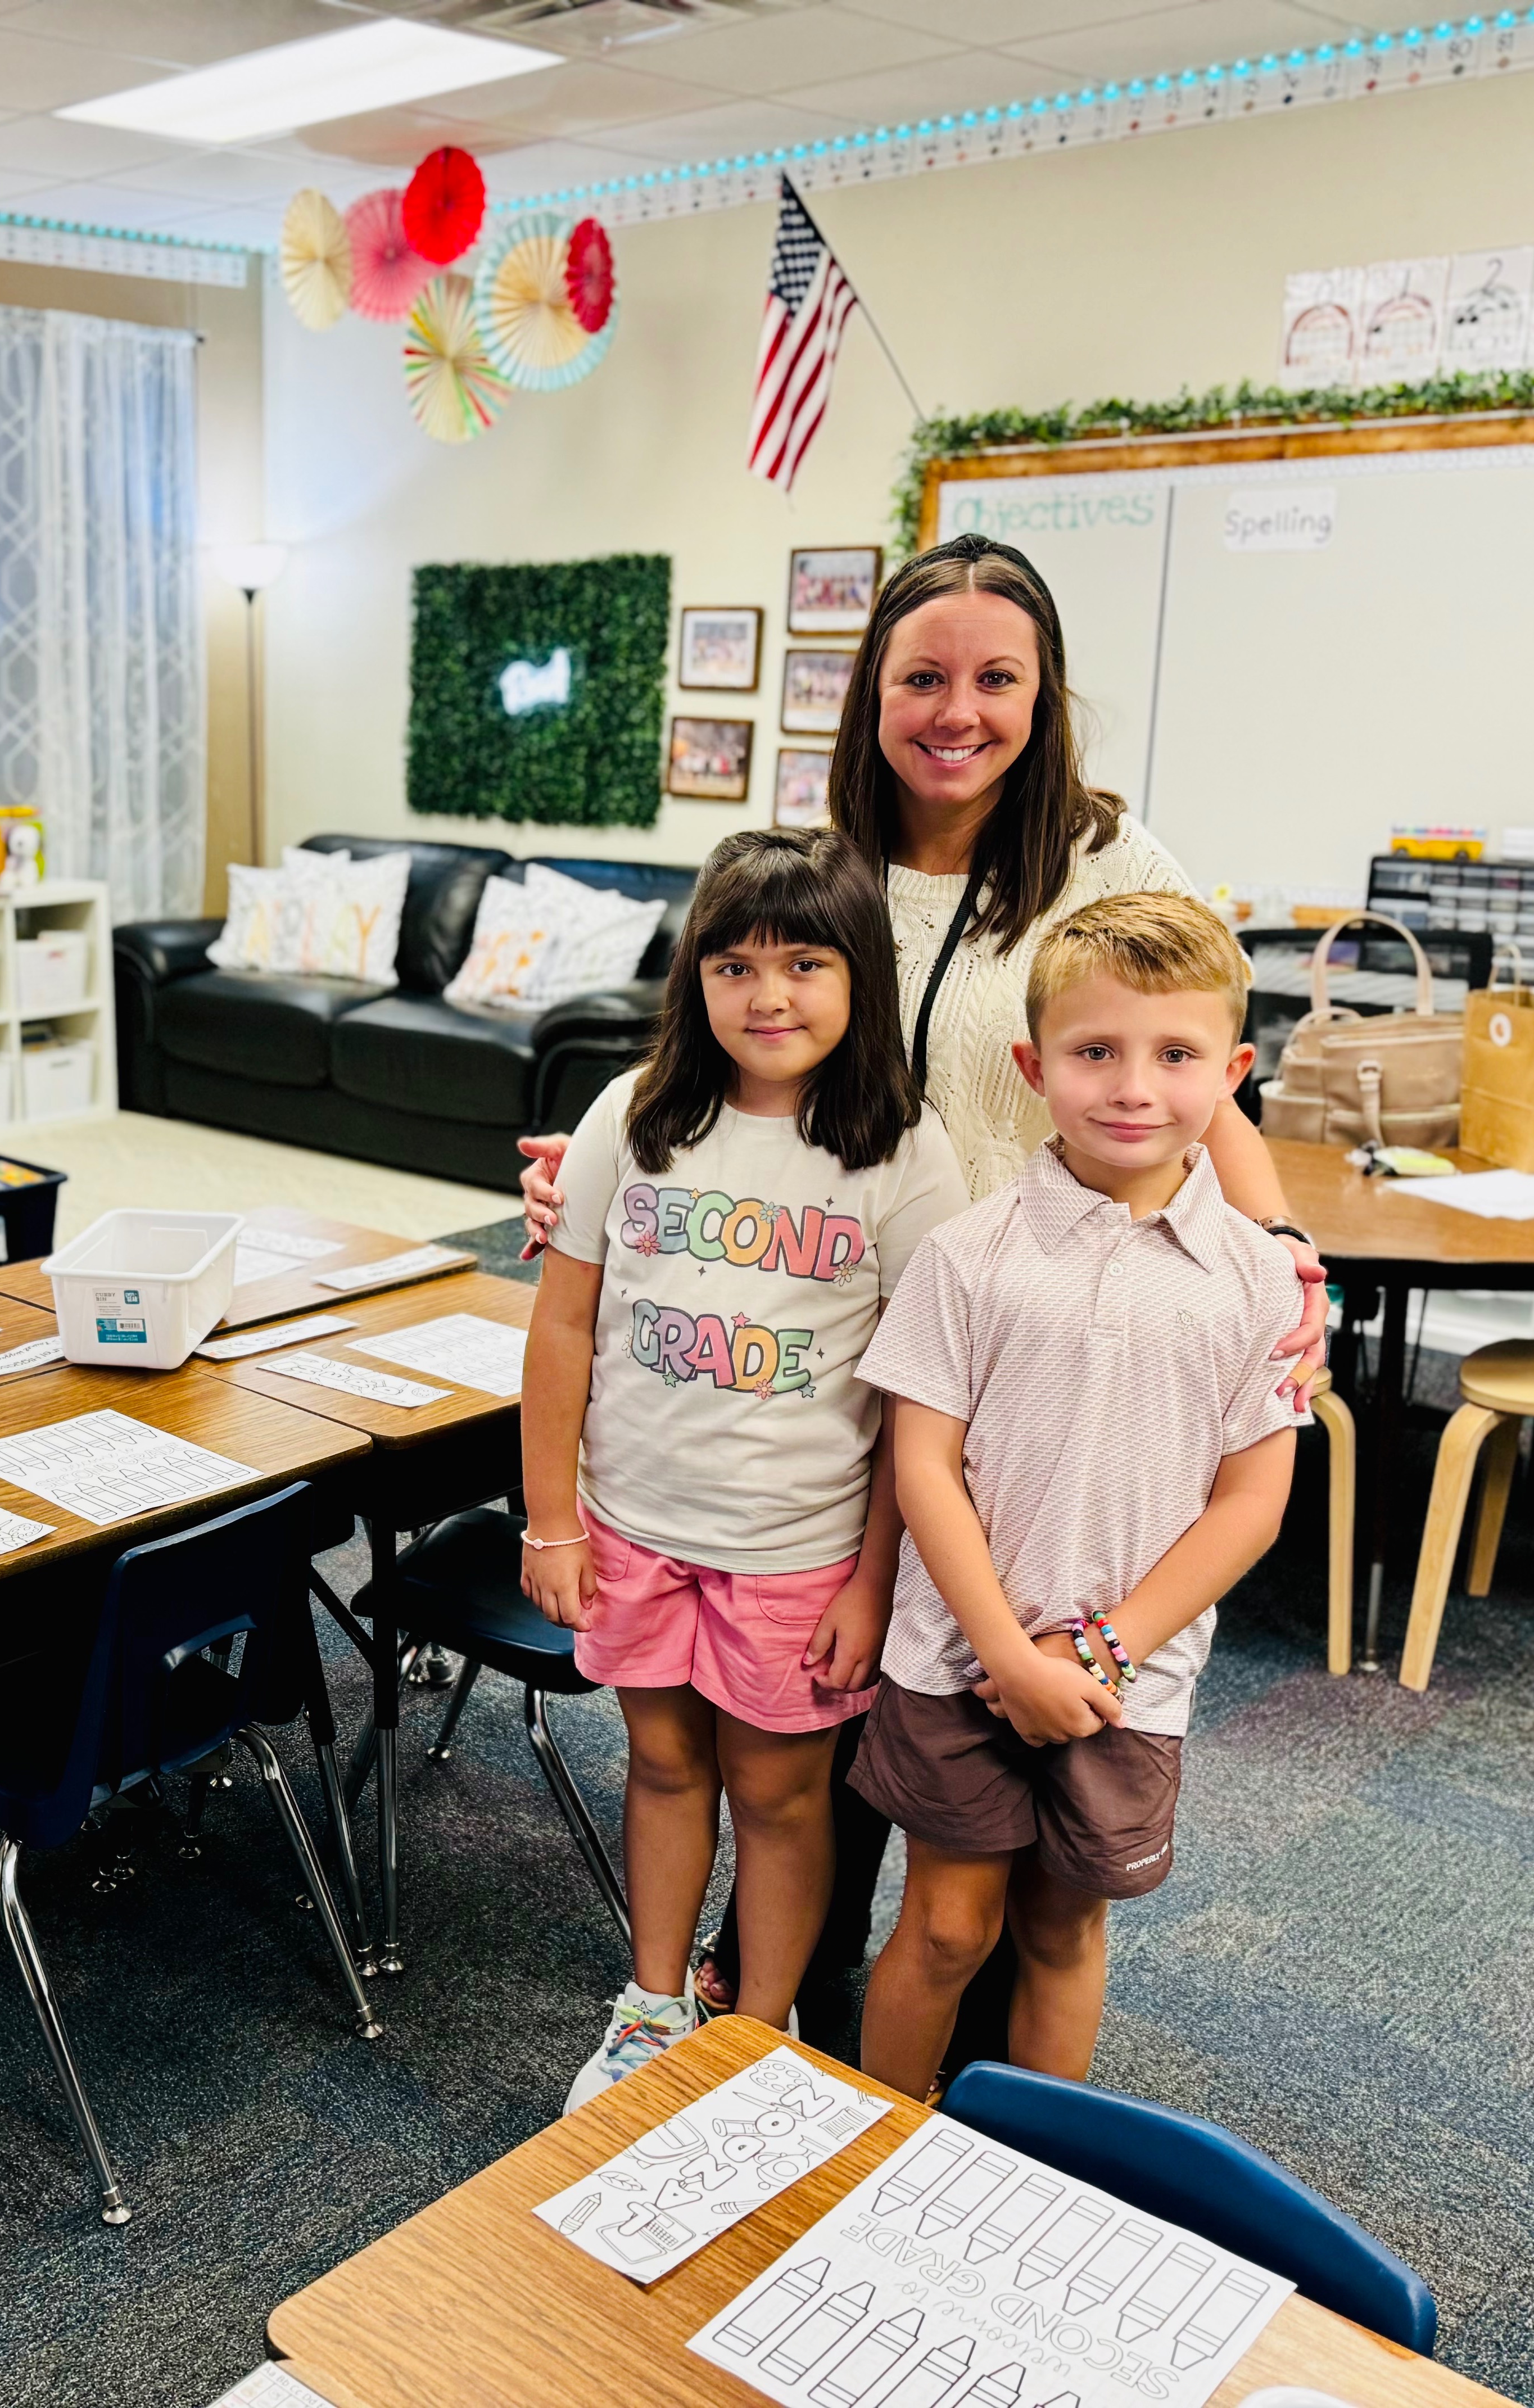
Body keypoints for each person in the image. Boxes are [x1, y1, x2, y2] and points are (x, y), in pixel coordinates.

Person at [517, 534, 1327, 2042]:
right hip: (837, 1361)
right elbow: (719, 1065)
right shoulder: (823, 866)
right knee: (837, 1730)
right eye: (921, 678)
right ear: (869, 693)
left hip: (1054, 1347)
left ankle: (964, 2055)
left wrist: (1281, 1259)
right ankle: (788, 2007)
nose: (957, 711)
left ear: (1043, 693)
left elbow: (1202, 1078)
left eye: (995, 678)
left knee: (1005, 1768)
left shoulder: (1107, 860)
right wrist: (596, 1174)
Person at [519, 827, 970, 2111]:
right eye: (735, 966)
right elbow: (562, 1324)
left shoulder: (902, 1149)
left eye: (804, 965)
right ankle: (655, 2007)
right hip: (633, 1527)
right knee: (662, 1769)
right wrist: (553, 1520)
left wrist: (875, 1584)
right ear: (695, 978)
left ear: (858, 980)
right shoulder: (638, 1110)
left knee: (779, 1798)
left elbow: (916, 1395)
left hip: (799, 1548)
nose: (767, 997)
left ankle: (758, 2034)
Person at [850, 891, 1303, 2101]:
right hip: (959, 1661)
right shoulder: (970, 1255)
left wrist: (1096, 1655)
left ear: (1234, 1071)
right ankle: (870, 2163)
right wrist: (1012, 1654)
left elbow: (1251, 1504)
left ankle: (1029, 2177)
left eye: (1175, 1055)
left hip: (1131, 1683)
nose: (1133, 1086)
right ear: (1033, 1066)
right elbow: (923, 1468)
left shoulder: (1262, 1282)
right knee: (946, 1930)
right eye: (1095, 1052)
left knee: (1062, 1932)